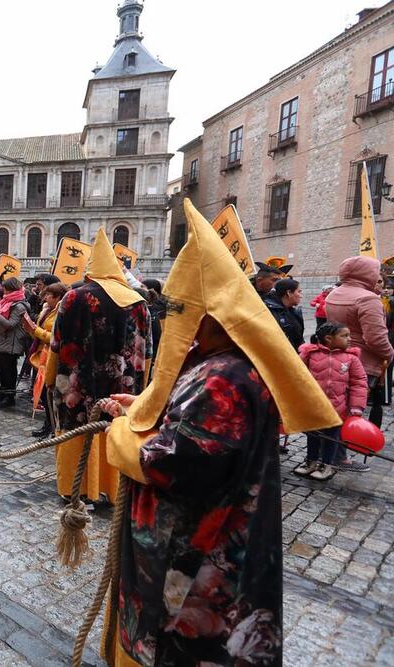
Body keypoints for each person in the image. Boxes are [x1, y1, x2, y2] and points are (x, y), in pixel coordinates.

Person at [102, 199, 339, 666]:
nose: (173, 319)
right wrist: (149, 408)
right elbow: (190, 423)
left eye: (181, 309)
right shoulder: (219, 364)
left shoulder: (224, 377)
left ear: (209, 314)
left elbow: (173, 462)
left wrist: (118, 431)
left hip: (198, 564)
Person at [46, 229, 150, 503]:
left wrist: (48, 380)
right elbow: (145, 355)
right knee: (114, 427)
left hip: (77, 386)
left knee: (75, 430)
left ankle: (76, 487)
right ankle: (113, 486)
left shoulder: (73, 298)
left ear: (90, 272)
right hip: (122, 388)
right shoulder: (139, 304)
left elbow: (56, 345)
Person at [325, 256, 393, 429]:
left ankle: (323, 452)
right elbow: (375, 338)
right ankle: (337, 454)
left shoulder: (335, 293)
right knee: (350, 408)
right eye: (375, 271)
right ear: (365, 273)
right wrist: (389, 353)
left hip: (336, 357)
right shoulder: (368, 298)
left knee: (335, 406)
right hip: (362, 362)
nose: (377, 275)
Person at [296, 321, 368, 481]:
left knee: (332, 437)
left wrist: (356, 407)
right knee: (312, 435)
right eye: (344, 336)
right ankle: (311, 461)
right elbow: (298, 375)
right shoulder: (310, 354)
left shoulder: (351, 359)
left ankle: (327, 465)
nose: (349, 339)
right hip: (314, 406)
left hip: (337, 408)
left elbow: (359, 383)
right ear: (329, 338)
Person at [23, 282, 66, 437]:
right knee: (43, 393)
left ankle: (54, 428)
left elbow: (56, 338)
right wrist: (31, 329)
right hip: (41, 356)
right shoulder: (47, 309)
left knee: (50, 394)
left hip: (51, 357)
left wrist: (36, 330)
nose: (45, 297)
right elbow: (39, 335)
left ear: (58, 297)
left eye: (48, 295)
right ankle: (48, 425)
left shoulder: (61, 312)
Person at [0, 276, 29, 409]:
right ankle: (3, 391)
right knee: (0, 368)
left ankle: (10, 396)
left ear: (11, 289)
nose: (3, 292)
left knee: (9, 370)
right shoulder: (7, 302)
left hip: (11, 343)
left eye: (5, 289)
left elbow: (11, 324)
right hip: (1, 340)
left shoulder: (19, 305)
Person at [263, 277, 304, 350]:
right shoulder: (268, 311)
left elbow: (299, 339)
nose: (301, 296)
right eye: (299, 292)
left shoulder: (294, 311)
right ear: (289, 293)